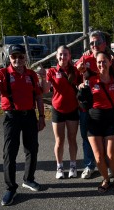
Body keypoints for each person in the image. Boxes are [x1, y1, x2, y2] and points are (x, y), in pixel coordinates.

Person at [0, 44, 46, 206]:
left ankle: (28, 179)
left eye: (21, 56)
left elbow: (39, 97)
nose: (17, 60)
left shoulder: (31, 75)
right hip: (11, 117)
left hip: (29, 115)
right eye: (14, 56)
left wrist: (41, 117)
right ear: (9, 57)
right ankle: (10, 187)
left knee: (32, 149)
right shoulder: (3, 73)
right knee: (10, 152)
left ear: (25, 58)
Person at [78, 51, 114, 193]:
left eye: (104, 61)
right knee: (98, 156)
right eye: (99, 62)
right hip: (93, 119)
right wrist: (81, 89)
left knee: (111, 154)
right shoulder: (90, 80)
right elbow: (84, 102)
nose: (101, 64)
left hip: (110, 118)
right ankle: (105, 179)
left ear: (110, 62)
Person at [43, 45, 82, 179]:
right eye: (60, 54)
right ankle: (59, 167)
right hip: (57, 109)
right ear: (56, 56)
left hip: (72, 109)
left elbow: (81, 85)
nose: (62, 57)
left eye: (65, 54)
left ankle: (73, 166)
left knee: (72, 139)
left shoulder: (75, 71)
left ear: (69, 56)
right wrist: (43, 78)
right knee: (59, 141)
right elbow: (45, 89)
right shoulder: (52, 71)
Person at [75, 30, 107, 179]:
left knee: (107, 136)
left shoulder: (110, 58)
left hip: (105, 104)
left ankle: (108, 164)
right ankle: (89, 165)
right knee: (86, 136)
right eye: (92, 43)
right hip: (87, 105)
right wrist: (79, 85)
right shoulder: (84, 58)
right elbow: (74, 77)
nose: (94, 45)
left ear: (104, 44)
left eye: (97, 42)